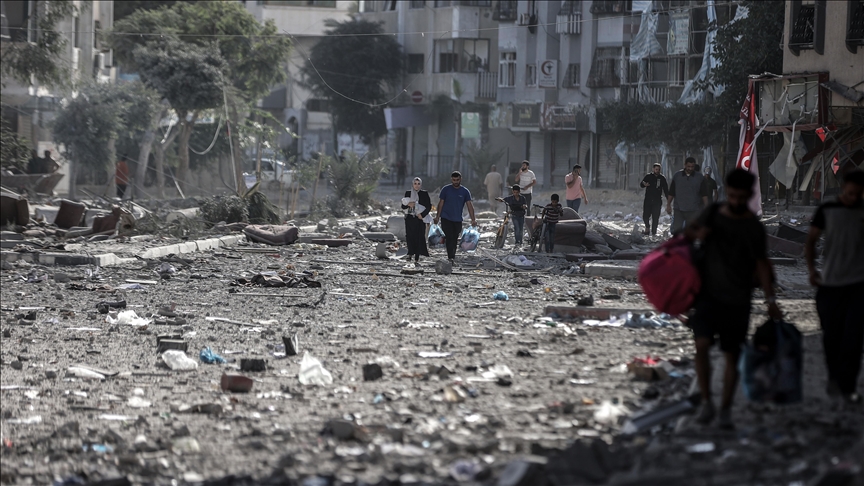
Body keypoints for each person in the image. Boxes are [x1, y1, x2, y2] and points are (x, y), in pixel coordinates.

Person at [684, 168, 781, 429]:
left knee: (731, 356)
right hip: (706, 295)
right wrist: (698, 234)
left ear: (749, 195)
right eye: (732, 195)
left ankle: (724, 409)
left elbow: (762, 264)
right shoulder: (713, 213)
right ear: (727, 192)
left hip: (738, 300)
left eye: (742, 197)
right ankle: (707, 402)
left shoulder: (752, 227)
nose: (737, 201)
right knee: (701, 346)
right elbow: (688, 233)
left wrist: (771, 302)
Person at [805, 170, 864, 404]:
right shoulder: (827, 211)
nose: (853, 198)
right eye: (850, 193)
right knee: (832, 338)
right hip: (830, 284)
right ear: (843, 189)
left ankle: (847, 387)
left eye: (858, 195)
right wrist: (811, 270)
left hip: (859, 285)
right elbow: (810, 241)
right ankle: (833, 379)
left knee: (853, 339)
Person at [433, 171, 477, 264]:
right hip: (446, 217)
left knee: (454, 238)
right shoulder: (446, 189)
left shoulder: (465, 191)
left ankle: (452, 256)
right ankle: (451, 258)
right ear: (451, 179)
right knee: (449, 237)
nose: (455, 182)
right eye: (454, 180)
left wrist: (473, 219)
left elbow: (469, 205)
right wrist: (437, 217)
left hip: (457, 219)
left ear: (460, 179)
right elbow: (440, 204)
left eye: (457, 180)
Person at [667, 157, 707, 233]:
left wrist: (706, 206)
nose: (690, 168)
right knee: (677, 230)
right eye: (688, 166)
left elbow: (704, 194)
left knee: (691, 232)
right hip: (679, 209)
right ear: (685, 165)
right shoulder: (677, 176)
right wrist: (668, 204)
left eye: (692, 167)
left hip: (693, 209)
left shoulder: (699, 177)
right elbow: (671, 192)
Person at [401, 177, 432, 267]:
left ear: (421, 185)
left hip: (419, 219)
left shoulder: (424, 194)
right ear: (412, 184)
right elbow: (403, 206)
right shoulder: (408, 193)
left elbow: (428, 206)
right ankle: (410, 253)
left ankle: (417, 257)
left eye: (418, 184)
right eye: (415, 183)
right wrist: (408, 205)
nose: (417, 185)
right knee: (410, 236)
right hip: (410, 218)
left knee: (419, 237)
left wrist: (422, 214)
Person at [640, 163, 669, 235]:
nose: (657, 171)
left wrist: (669, 200)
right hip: (648, 200)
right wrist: (644, 184)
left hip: (657, 201)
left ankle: (654, 233)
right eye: (656, 169)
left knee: (655, 218)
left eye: (659, 170)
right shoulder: (648, 176)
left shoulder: (662, 178)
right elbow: (641, 184)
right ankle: (647, 227)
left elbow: (665, 189)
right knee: (645, 216)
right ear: (653, 169)